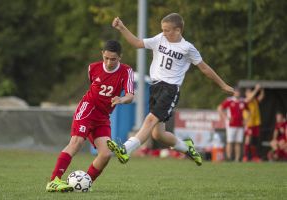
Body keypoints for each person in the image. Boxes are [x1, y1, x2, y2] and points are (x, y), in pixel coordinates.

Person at [107, 13, 235, 166]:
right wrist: (122, 27)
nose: (164, 32)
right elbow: (137, 43)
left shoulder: (187, 48)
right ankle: (186, 147)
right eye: (163, 29)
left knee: (150, 119)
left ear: (178, 30)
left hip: (170, 89)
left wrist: (223, 85)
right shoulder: (160, 38)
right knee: (157, 134)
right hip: (155, 87)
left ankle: (126, 149)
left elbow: (205, 68)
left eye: (167, 30)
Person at [45, 40, 134, 192]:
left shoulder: (126, 71)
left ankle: (85, 183)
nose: (109, 62)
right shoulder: (93, 68)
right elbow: (93, 87)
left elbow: (130, 96)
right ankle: (54, 181)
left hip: (103, 116)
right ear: (102, 54)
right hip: (87, 109)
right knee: (77, 142)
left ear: (120, 57)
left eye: (113, 59)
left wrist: (121, 99)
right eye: (106, 58)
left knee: (106, 154)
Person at [218, 88, 249, 162]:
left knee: (238, 142)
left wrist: (246, 120)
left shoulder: (242, 101)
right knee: (230, 142)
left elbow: (249, 111)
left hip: (240, 125)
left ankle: (237, 159)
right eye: (236, 92)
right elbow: (220, 108)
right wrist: (225, 117)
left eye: (238, 92)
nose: (237, 93)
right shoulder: (229, 101)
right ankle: (229, 158)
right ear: (234, 93)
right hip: (231, 125)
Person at [242, 84, 264, 162]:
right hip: (249, 123)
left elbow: (261, 98)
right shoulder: (246, 100)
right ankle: (245, 156)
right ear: (246, 93)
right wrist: (256, 89)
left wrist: (261, 90)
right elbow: (250, 98)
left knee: (254, 140)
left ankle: (255, 157)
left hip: (256, 122)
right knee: (248, 139)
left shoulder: (254, 100)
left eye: (250, 92)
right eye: (248, 92)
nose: (250, 93)